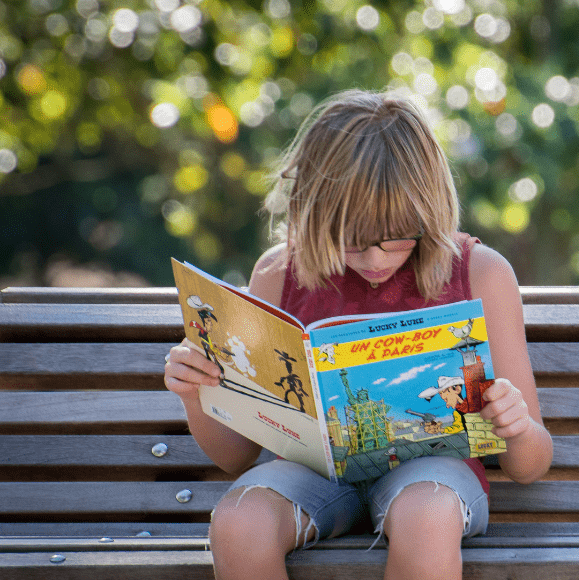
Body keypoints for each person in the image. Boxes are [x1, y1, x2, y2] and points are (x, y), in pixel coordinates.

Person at [163, 89, 553, 580]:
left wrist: (513, 424)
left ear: (430, 211)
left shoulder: (479, 273)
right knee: (239, 521)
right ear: (313, 214)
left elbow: (531, 464)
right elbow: (236, 456)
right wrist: (197, 393)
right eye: (351, 240)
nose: (375, 259)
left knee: (427, 515)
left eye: (397, 236)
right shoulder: (279, 274)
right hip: (313, 475)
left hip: (433, 477)